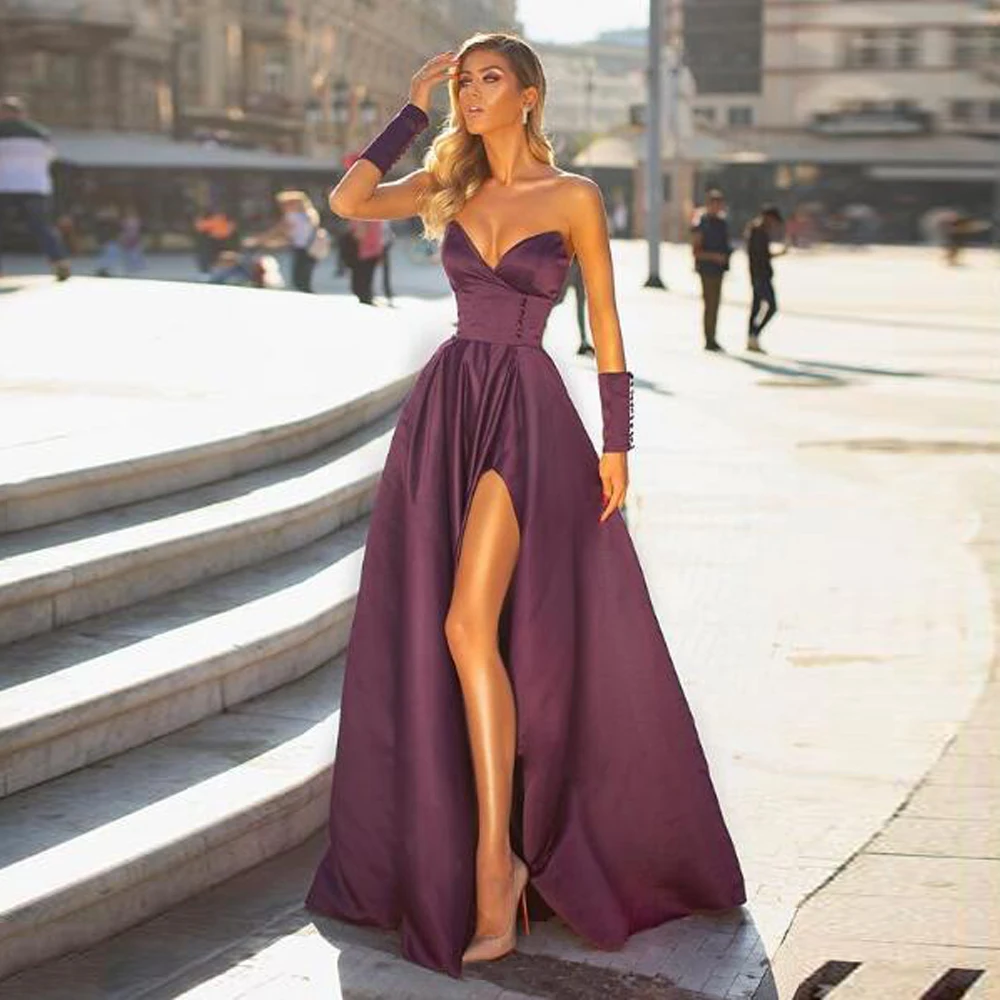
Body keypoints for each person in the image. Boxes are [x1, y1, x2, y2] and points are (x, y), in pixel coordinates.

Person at [305, 32, 745, 978]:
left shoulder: (575, 196)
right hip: (448, 406)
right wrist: (410, 110)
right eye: (464, 80)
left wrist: (619, 442)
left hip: (527, 414)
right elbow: (345, 203)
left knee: (472, 625)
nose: (472, 92)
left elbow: (610, 326)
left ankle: (496, 862)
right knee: (460, 631)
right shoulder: (451, 186)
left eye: (487, 79)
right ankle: (491, 854)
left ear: (531, 95)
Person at [0, 95, 70, 281]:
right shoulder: (41, 133)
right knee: (42, 226)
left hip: (5, 184)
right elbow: (51, 157)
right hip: (35, 185)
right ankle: (60, 262)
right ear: (22, 113)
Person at [248, 190, 322, 292]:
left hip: (303, 250)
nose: (282, 208)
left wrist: (257, 240)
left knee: (299, 280)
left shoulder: (293, 216)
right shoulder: (310, 214)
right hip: (311, 249)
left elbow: (278, 231)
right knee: (304, 279)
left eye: (285, 205)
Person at [690, 188, 731, 351]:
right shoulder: (702, 223)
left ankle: (713, 336)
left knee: (716, 305)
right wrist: (714, 256)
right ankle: (709, 339)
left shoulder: (722, 223)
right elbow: (696, 251)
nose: (717, 207)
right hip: (707, 269)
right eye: (714, 204)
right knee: (710, 304)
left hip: (719, 269)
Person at [744, 204, 786, 354]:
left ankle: (752, 337)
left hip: (761, 275)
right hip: (760, 276)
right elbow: (758, 257)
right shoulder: (757, 232)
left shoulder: (760, 231)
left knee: (757, 307)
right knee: (771, 306)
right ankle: (754, 334)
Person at [555, 256, 595, 356]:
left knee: (581, 302)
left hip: (580, 264)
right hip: (570, 264)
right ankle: (536, 321)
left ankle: (584, 341)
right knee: (559, 299)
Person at [347, 217, 384, 304]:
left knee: (364, 280)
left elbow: (378, 236)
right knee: (363, 280)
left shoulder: (374, 217)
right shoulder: (361, 214)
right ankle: (365, 297)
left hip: (368, 253)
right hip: (362, 252)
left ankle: (366, 297)